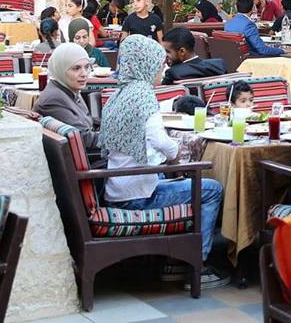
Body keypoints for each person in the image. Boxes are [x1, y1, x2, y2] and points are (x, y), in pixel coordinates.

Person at [99, 35, 227, 287]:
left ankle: (175, 261)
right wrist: (175, 156)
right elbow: (162, 142)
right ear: (146, 65)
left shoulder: (117, 95)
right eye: (160, 64)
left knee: (180, 182)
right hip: (137, 196)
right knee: (211, 189)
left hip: (118, 189)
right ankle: (196, 264)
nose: (164, 68)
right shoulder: (144, 97)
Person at [34, 43, 99, 150]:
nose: (84, 74)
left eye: (87, 67)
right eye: (76, 68)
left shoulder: (68, 88)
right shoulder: (54, 99)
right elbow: (85, 140)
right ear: (61, 69)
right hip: (89, 157)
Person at [161, 28, 226, 85]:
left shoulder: (173, 73)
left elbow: (160, 91)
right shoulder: (218, 65)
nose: (165, 55)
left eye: (167, 51)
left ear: (182, 51)